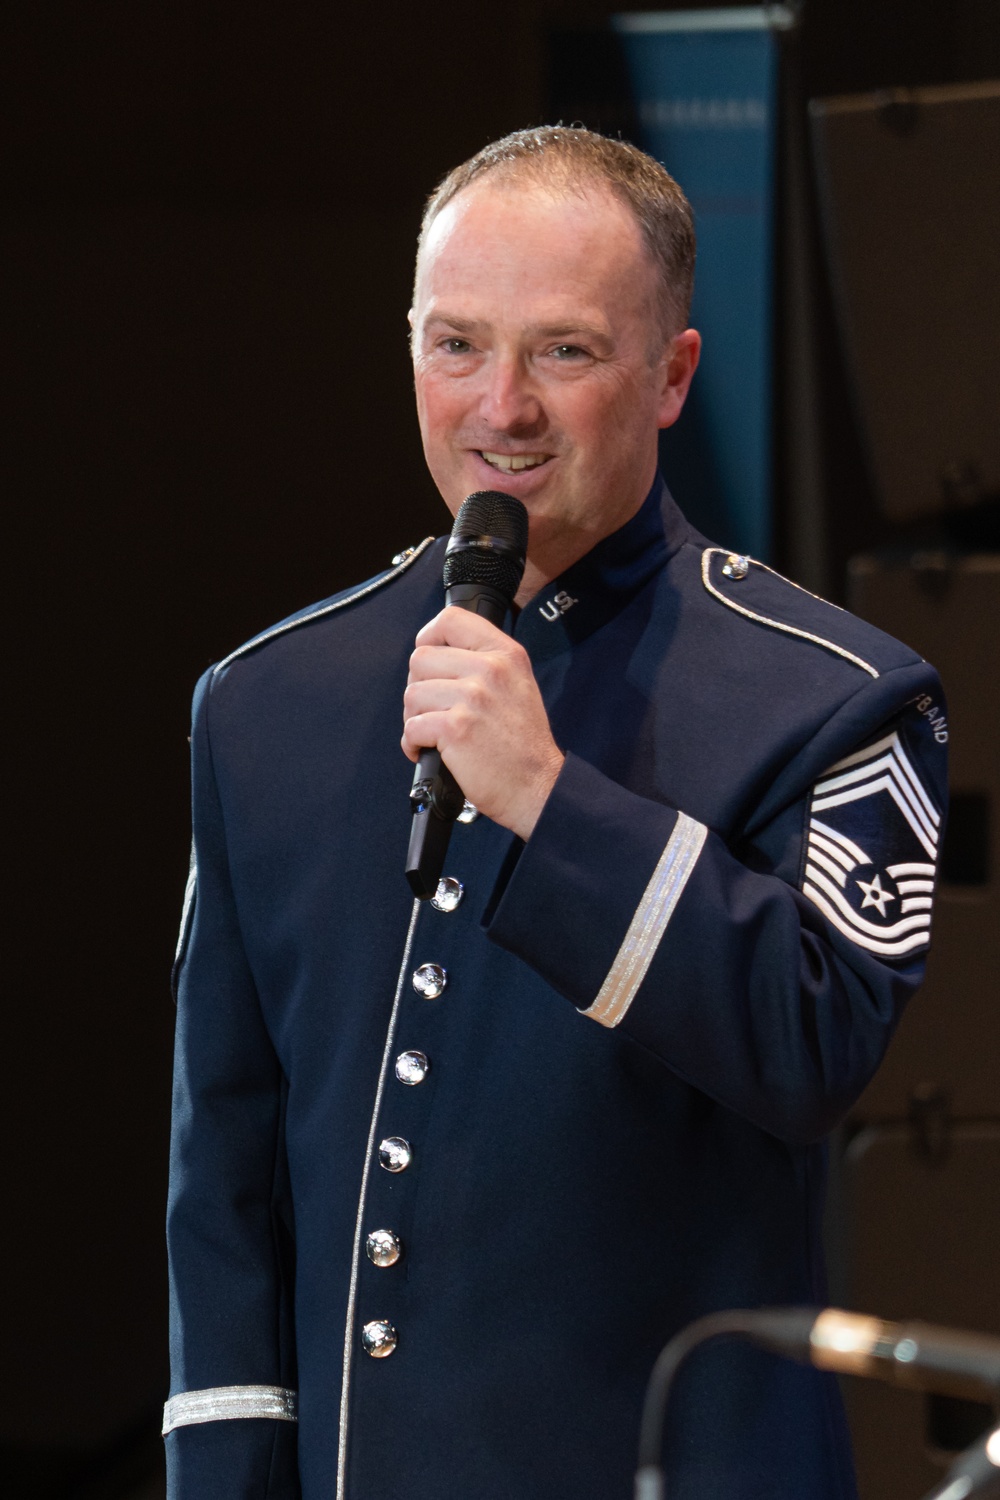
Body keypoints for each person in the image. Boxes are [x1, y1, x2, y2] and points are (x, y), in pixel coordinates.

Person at [164, 128, 946, 1500]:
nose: (499, 407)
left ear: (673, 378)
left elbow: (811, 1050)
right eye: (455, 344)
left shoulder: (837, 700)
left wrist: (548, 801)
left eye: (565, 353)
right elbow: (224, 1189)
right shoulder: (266, 703)